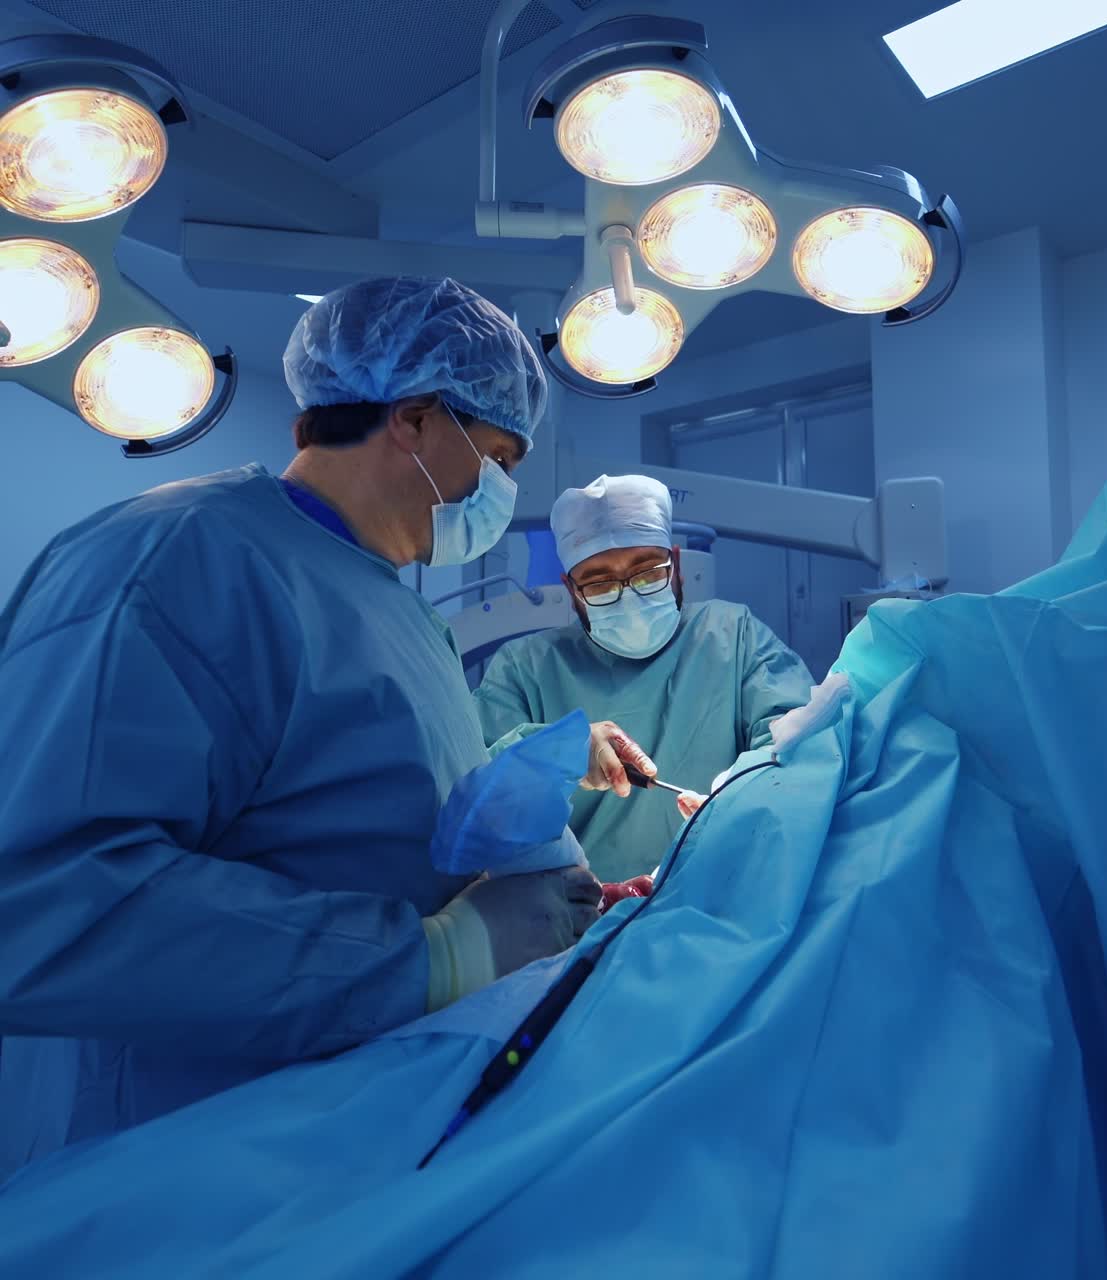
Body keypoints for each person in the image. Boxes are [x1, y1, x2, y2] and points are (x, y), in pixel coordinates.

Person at [0, 276, 601, 1179]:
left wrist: (518, 876)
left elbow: (354, 819)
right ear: (416, 420)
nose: (502, 488)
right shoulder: (175, 562)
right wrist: (432, 957)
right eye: (500, 454)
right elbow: (42, 903)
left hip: (340, 1141)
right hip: (172, 1168)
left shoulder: (402, 613)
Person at [474, 474, 815, 883]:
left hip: (718, 890)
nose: (629, 596)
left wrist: (740, 798)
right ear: (570, 589)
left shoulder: (732, 635)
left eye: (648, 571)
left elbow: (797, 742)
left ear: (677, 566)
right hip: (576, 918)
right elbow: (480, 796)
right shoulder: (524, 669)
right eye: (599, 582)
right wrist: (556, 752)